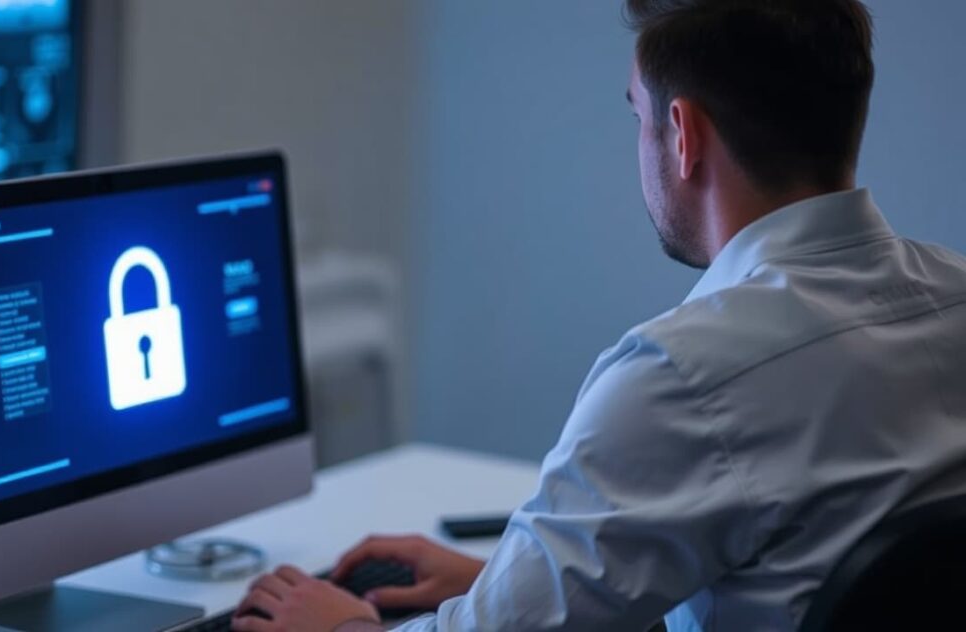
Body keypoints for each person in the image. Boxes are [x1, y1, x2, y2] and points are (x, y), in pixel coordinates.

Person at [232, 1, 966, 630]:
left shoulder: (685, 378)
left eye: (637, 117)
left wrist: (348, 623)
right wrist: (501, 582)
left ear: (682, 135)